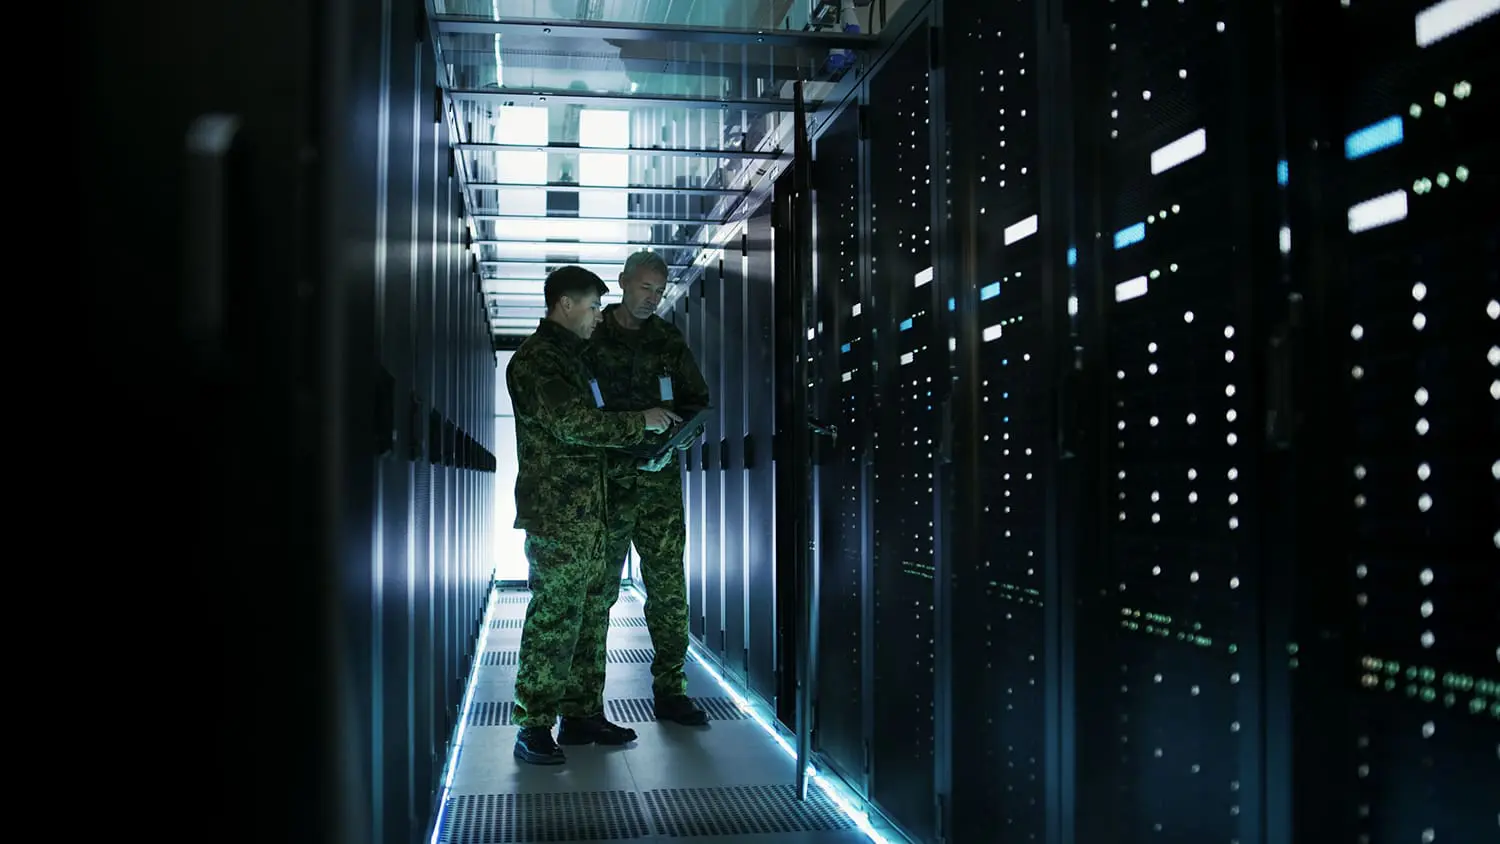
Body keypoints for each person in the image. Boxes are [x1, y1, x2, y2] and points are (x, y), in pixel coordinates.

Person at [506, 265, 682, 765]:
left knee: (591, 613)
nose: (598, 316)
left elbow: (596, 427)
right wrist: (640, 422)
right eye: (593, 306)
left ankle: (581, 713)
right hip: (559, 516)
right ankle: (533, 724)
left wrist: (650, 444)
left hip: (593, 511)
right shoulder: (536, 361)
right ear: (565, 304)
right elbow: (573, 423)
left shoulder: (574, 360)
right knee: (555, 616)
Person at [583, 250, 712, 726]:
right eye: (644, 288)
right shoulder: (592, 335)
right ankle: (585, 704)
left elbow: (698, 403)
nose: (652, 298)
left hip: (659, 484)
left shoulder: (667, 339)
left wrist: (682, 436)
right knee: (598, 592)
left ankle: (671, 691)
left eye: (659, 291)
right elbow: (575, 411)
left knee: (668, 589)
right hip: (607, 482)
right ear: (622, 282)